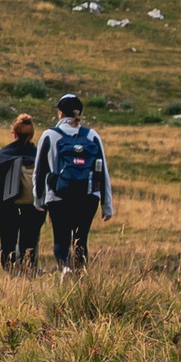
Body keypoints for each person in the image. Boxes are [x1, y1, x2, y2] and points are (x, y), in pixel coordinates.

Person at [36, 94, 114, 272]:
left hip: (58, 196)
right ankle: (79, 277)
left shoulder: (49, 135)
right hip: (88, 197)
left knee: (61, 240)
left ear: (60, 113)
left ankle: (66, 270)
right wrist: (106, 205)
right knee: (80, 240)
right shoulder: (92, 135)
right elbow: (103, 172)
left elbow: (39, 171)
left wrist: (38, 200)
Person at [0, 114, 45, 271]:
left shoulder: (4, 154)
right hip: (34, 206)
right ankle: (28, 271)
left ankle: (9, 271)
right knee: (29, 242)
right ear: (31, 134)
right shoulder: (39, 155)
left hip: (9, 204)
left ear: (14, 133)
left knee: (8, 241)